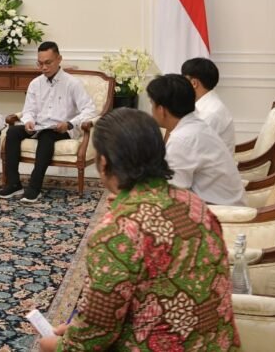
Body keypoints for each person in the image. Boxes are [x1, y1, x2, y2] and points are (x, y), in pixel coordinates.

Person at [38, 108, 241, 351]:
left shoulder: (117, 232)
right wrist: (76, 330)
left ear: (103, 162)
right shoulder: (194, 204)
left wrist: (59, 346)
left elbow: (96, 334)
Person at [0, 41, 98, 203]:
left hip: (62, 129)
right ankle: (14, 184)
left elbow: (90, 110)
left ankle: (34, 188)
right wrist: (29, 121)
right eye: (40, 63)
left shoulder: (73, 83)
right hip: (39, 126)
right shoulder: (35, 84)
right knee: (13, 131)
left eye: (48, 63)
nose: (44, 67)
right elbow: (28, 110)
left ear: (59, 59)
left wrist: (70, 123)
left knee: (47, 136)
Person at [146, 74, 244, 206]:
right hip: (224, 205)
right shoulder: (195, 126)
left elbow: (172, 194)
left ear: (161, 110)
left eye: (152, 104)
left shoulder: (182, 139)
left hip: (222, 211)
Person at [182, 57, 235, 152]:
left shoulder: (211, 113)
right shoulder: (206, 105)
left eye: (183, 80)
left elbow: (190, 146)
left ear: (194, 83)